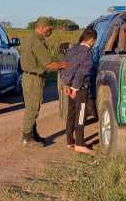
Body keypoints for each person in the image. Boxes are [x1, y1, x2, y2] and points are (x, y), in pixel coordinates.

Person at [19, 16, 70, 147]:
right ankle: (27, 136)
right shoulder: (37, 42)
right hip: (34, 78)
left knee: (31, 106)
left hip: (27, 76)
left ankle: (32, 134)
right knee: (33, 107)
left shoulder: (28, 38)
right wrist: (64, 65)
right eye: (48, 28)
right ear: (42, 28)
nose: (49, 31)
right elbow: (49, 64)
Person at [60, 28, 97, 154]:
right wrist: (76, 87)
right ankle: (80, 143)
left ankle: (70, 141)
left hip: (69, 86)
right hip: (80, 88)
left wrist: (66, 85)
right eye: (94, 41)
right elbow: (82, 73)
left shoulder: (72, 49)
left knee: (71, 113)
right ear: (92, 40)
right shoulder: (87, 53)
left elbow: (64, 67)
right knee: (81, 114)